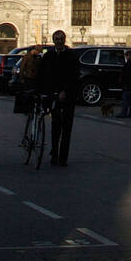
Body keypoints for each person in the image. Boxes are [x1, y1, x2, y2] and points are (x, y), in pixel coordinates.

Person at [39, 30, 80, 166]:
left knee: (67, 127)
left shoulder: (71, 56)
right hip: (54, 96)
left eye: (61, 39)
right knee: (55, 126)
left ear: (64, 40)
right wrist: (42, 92)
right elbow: (43, 75)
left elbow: (74, 77)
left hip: (68, 96)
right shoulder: (49, 56)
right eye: (56, 39)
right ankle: (54, 154)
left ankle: (63, 158)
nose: (58, 41)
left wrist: (65, 91)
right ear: (53, 40)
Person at [118, 47, 131, 118]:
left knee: (125, 100)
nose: (126, 57)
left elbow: (125, 75)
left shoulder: (128, 64)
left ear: (128, 56)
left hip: (128, 85)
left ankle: (123, 113)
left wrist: (123, 83)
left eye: (126, 56)